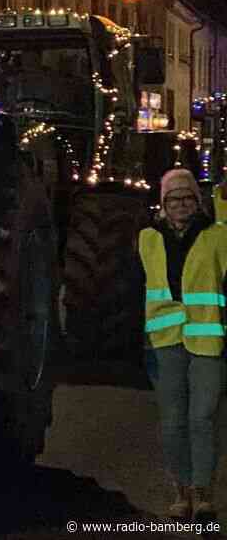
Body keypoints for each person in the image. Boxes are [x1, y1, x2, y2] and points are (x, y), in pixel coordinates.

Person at [140, 168, 227, 522]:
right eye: (173, 199)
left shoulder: (217, 236)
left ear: (198, 200)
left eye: (188, 198)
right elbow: (136, 286)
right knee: (174, 420)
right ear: (163, 204)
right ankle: (182, 489)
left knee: (202, 417)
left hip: (208, 338)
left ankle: (203, 490)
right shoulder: (147, 237)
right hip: (164, 339)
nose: (181, 205)